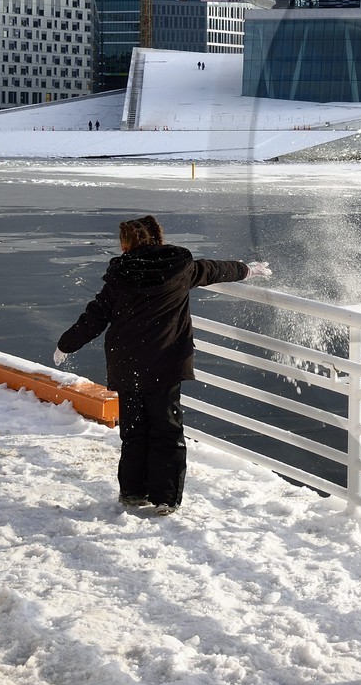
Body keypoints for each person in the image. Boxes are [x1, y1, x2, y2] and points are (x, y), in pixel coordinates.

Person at [54, 215, 272, 515]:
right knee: (167, 430)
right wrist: (247, 270)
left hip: (127, 363)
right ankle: (166, 498)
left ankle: (132, 492)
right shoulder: (182, 268)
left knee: (133, 431)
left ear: (126, 243)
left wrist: (66, 344)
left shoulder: (120, 276)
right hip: (166, 363)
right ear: (159, 238)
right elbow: (217, 269)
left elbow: (95, 317)